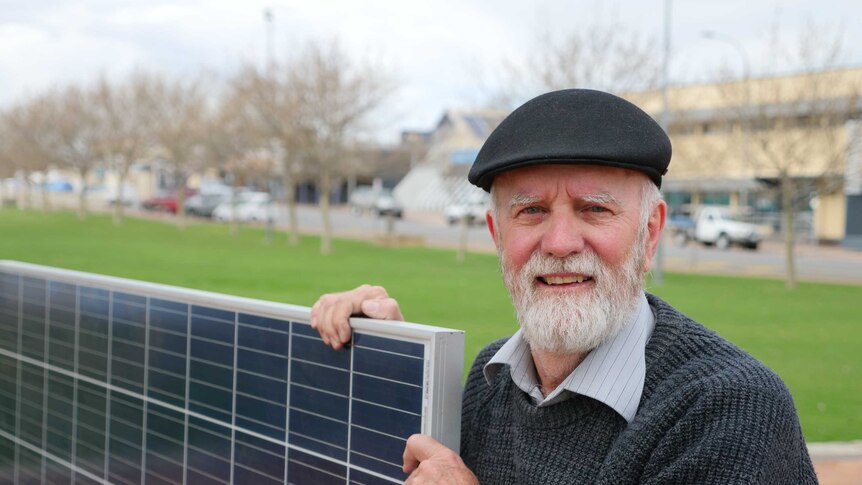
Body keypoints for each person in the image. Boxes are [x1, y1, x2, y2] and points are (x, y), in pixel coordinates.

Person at [311, 89, 816, 484]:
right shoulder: (490, 388)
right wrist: (388, 363)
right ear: (496, 235)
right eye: (530, 211)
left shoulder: (727, 409)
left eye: (595, 209)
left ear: (651, 233)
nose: (559, 242)